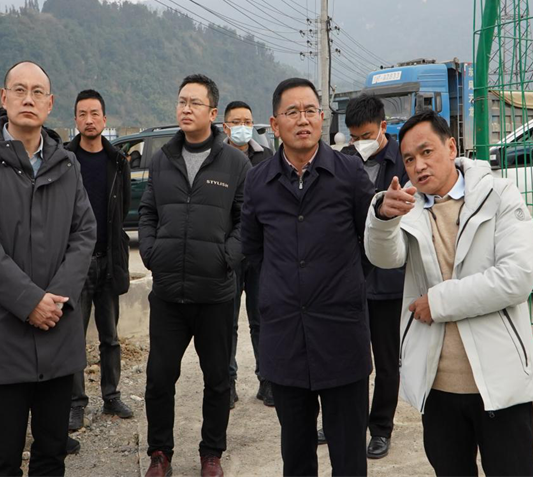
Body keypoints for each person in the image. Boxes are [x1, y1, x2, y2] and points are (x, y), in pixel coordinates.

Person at [364, 110, 533, 477]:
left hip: (499, 384)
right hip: (438, 386)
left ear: (451, 147)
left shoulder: (499, 194)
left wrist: (439, 302)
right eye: (409, 159)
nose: (418, 165)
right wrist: (381, 219)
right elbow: (385, 258)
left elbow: (519, 276)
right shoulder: (410, 207)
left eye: (427, 152)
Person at [0, 60, 96, 476]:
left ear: (50, 104)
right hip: (2, 335)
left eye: (37, 92)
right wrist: (29, 301)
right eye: (19, 90)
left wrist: (56, 299)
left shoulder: (67, 164)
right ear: (4, 98)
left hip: (57, 329)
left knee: (52, 454)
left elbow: (84, 232)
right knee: (3, 459)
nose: (28, 99)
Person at [241, 78, 376, 476]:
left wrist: (342, 283)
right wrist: (282, 289)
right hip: (285, 337)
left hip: (341, 335)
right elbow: (253, 251)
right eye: (292, 112)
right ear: (274, 123)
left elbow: (371, 243)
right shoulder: (258, 181)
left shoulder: (349, 173)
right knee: (296, 454)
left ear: (322, 118)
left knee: (349, 456)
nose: (303, 120)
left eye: (310, 111)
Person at [139, 74, 250, 477]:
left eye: (194, 103)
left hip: (215, 293)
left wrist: (226, 258)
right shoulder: (162, 159)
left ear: (212, 112)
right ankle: (159, 453)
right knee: (158, 378)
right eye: (181, 101)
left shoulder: (235, 163)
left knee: (218, 380)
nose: (185, 109)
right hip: (168, 293)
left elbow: (246, 220)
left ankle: (211, 453)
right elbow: (148, 212)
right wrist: (151, 253)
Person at [339, 94, 407, 459]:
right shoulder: (343, 162)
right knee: (346, 357)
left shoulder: (402, 162)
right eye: (353, 137)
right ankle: (341, 420)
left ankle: (380, 427)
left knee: (386, 359)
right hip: (349, 277)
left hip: (388, 278)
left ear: (383, 126)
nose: (359, 143)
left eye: (365, 135)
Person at [66, 89, 133, 430]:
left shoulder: (118, 161)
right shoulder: (64, 160)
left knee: (110, 336)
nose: (89, 120)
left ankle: (111, 396)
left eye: (95, 114)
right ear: (75, 120)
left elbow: (123, 209)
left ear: (105, 120)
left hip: (108, 259)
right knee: (73, 337)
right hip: (76, 262)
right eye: (83, 114)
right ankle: (75, 403)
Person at [220, 100, 274, 409]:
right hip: (228, 251)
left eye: (248, 121)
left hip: (259, 253)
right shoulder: (217, 157)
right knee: (227, 322)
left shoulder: (266, 157)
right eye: (237, 121)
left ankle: (267, 380)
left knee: (261, 319)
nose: (243, 126)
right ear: (225, 126)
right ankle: (228, 383)